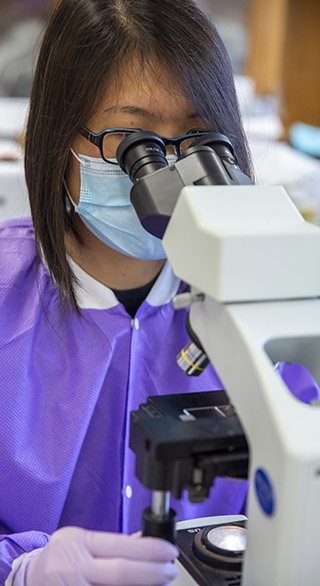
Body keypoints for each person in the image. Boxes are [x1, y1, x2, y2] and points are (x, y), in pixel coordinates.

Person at [0, 0, 319, 585]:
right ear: (54, 136)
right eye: (133, 141)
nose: (168, 173)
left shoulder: (270, 294)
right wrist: (19, 572)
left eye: (197, 138)